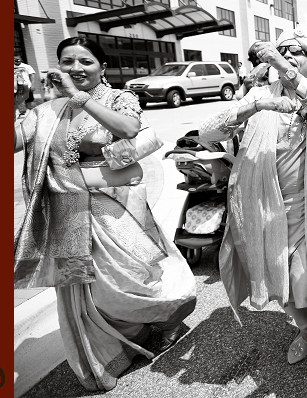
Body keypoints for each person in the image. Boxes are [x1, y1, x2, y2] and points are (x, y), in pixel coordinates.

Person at [13, 36, 197, 391]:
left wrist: (78, 97)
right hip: (66, 212)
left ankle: (166, 317)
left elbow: (127, 130)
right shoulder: (48, 110)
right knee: (90, 292)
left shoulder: (118, 98)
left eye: (85, 61)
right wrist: (17, 102)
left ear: (102, 67)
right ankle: (115, 343)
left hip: (112, 205)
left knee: (126, 280)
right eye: (67, 62)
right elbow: (12, 141)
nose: (76, 69)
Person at [198, 27, 307, 365]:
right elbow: (206, 133)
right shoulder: (259, 95)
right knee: (281, 283)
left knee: (305, 280)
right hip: (264, 208)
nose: (288, 54)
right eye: (283, 49)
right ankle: (305, 326)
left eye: (296, 51)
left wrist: (283, 65)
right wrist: (256, 106)